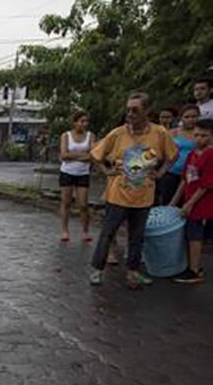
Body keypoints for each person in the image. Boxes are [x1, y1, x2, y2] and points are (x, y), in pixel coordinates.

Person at [88, 91, 178, 288]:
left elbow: (173, 156)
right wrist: (107, 171)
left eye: (135, 110)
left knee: (137, 236)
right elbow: (95, 155)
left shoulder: (159, 133)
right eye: (128, 110)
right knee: (108, 233)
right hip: (117, 193)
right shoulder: (118, 133)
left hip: (144, 195)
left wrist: (161, 173)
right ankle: (97, 270)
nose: (130, 114)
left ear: (147, 111)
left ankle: (132, 272)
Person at [169, 118, 213, 283]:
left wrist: (190, 203)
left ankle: (195, 270)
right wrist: (174, 202)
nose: (199, 138)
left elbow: (206, 185)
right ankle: (191, 265)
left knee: (195, 236)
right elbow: (184, 180)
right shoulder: (192, 155)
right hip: (189, 199)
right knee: (190, 234)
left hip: (202, 204)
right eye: (196, 135)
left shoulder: (210, 154)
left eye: (204, 135)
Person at [58, 110, 94, 242]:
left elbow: (92, 155)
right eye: (81, 121)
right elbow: (64, 155)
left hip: (83, 173)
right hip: (67, 172)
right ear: (75, 123)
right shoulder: (66, 136)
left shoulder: (90, 136)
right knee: (66, 202)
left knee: (83, 204)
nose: (84, 124)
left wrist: (73, 155)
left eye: (86, 121)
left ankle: (85, 230)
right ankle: (64, 230)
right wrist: (82, 155)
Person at [158, 104, 199, 205]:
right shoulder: (172, 133)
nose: (191, 119)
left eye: (194, 116)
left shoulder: (202, 134)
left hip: (192, 175)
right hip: (171, 173)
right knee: (168, 202)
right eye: (187, 117)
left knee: (187, 203)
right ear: (181, 118)